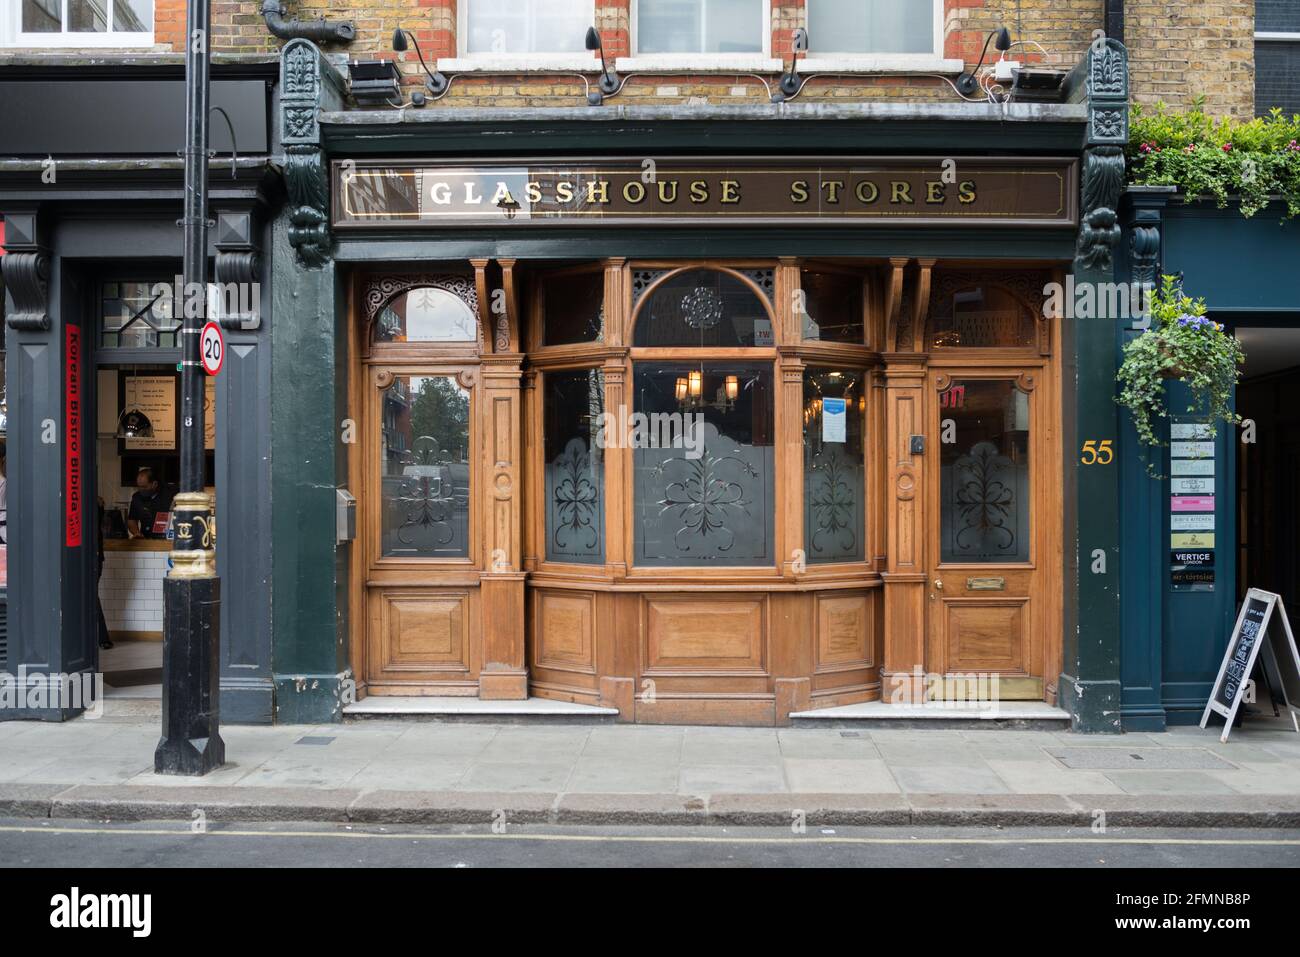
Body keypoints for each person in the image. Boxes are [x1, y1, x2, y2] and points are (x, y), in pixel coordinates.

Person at [127, 466, 175, 539]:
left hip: (167, 539)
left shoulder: (170, 494)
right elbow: (132, 520)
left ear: (154, 484)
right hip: (145, 540)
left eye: (144, 487)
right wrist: (137, 533)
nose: (141, 490)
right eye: (139, 487)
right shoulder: (136, 498)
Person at [96, 496, 113, 650]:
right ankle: (102, 637)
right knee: (91, 597)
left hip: (92, 558)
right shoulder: (98, 504)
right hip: (96, 557)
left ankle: (102, 637)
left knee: (90, 596)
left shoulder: (92, 506)